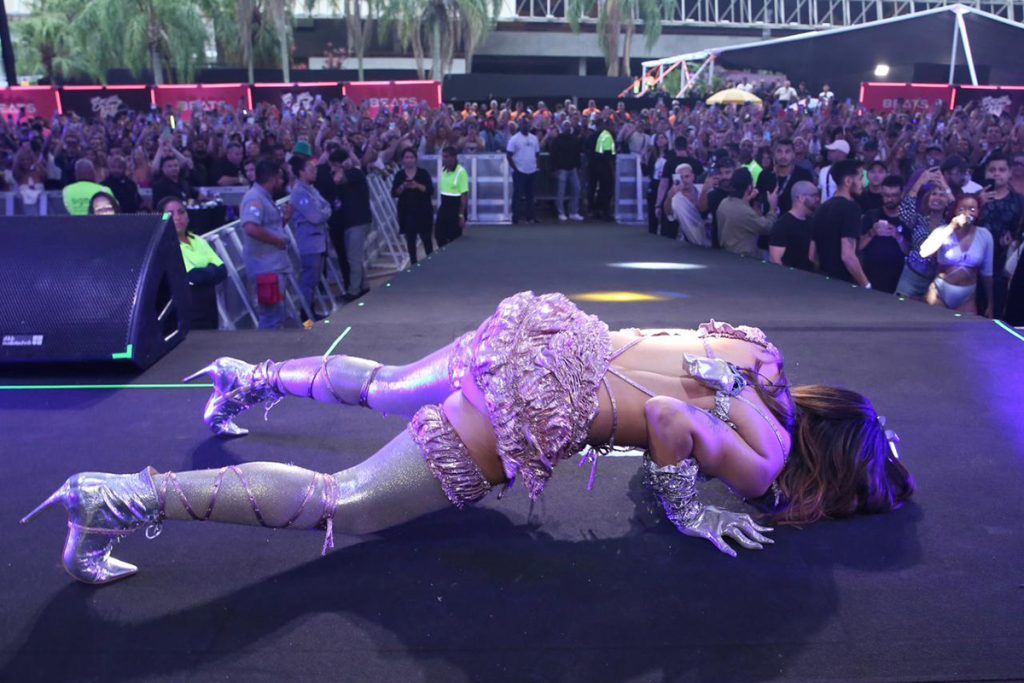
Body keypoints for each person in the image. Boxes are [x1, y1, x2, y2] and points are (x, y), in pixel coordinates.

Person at [23, 291, 915, 584]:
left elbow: (679, 385)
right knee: (340, 504)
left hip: (537, 330)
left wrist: (662, 444)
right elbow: (677, 422)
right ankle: (113, 497)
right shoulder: (765, 461)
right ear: (829, 469)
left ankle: (244, 380)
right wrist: (689, 511)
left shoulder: (758, 352)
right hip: (532, 403)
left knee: (377, 386)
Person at [240, 159, 294, 330]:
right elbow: (250, 227)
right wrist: (278, 241)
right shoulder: (254, 198)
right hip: (265, 268)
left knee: (278, 314)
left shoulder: (264, 197)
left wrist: (284, 219)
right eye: (279, 178)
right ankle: (267, 353)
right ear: (272, 178)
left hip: (273, 264)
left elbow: (269, 227)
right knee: (271, 316)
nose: (281, 181)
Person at [919, 194, 994, 317]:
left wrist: (990, 304)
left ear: (979, 213)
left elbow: (987, 274)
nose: (966, 213)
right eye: (961, 209)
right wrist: (952, 227)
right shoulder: (942, 230)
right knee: (937, 332)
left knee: (965, 332)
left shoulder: (984, 235)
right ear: (954, 211)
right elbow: (924, 252)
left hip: (967, 294)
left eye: (972, 209)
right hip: (940, 290)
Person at [161, 196, 227, 330]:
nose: (177, 217)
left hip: (210, 308)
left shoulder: (198, 240)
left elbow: (222, 270)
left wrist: (205, 274)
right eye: (170, 214)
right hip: (187, 312)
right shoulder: (165, 245)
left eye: (181, 212)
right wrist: (210, 270)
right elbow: (191, 277)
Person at [810, 159, 871, 287]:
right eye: (860, 178)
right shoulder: (851, 208)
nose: (863, 183)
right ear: (848, 181)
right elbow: (848, 256)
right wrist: (866, 285)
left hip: (822, 280)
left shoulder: (822, 207)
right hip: (844, 284)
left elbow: (812, 254)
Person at [895, 170, 953, 300]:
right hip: (911, 276)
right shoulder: (919, 220)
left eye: (941, 195)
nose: (937, 198)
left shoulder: (950, 225)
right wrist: (920, 182)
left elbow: (958, 207)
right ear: (928, 198)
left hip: (935, 280)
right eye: (934, 194)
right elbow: (903, 211)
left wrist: (945, 185)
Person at [288, 155, 332, 314]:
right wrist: (324, 212)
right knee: (308, 281)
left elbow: (327, 206)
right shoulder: (299, 192)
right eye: (311, 170)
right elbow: (316, 216)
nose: (315, 172)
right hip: (309, 244)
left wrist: (324, 212)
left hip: (319, 241)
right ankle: (305, 316)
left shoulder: (312, 189)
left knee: (314, 280)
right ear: (301, 173)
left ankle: (310, 311)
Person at [859, 175, 910, 294]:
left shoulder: (908, 218)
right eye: (886, 195)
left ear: (901, 194)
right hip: (870, 273)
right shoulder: (871, 215)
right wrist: (872, 232)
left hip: (897, 277)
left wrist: (898, 236)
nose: (889, 199)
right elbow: (858, 246)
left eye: (894, 196)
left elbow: (910, 251)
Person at [333, 149, 374, 301]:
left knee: (353, 258)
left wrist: (340, 167)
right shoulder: (352, 173)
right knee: (355, 256)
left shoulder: (354, 174)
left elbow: (338, 179)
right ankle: (364, 285)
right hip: (354, 222)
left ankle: (354, 291)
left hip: (358, 221)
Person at [716, 167, 777, 258]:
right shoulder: (744, 212)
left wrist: (748, 199)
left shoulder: (723, 203)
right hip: (744, 258)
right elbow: (767, 227)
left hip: (727, 253)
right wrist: (772, 208)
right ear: (749, 187)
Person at [391, 148, 434, 265]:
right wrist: (403, 187)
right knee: (410, 240)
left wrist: (417, 186)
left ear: (415, 159)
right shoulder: (400, 175)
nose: (409, 160)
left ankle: (431, 262)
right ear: (403, 160)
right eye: (406, 157)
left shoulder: (423, 173)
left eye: (411, 157)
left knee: (426, 239)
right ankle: (414, 264)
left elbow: (430, 190)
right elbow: (394, 193)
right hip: (407, 212)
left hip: (423, 211)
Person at [768, 180, 818, 272]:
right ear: (801, 198)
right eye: (813, 195)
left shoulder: (812, 222)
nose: (817, 199)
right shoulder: (782, 225)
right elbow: (775, 260)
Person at [664, 163, 709, 247]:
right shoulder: (675, 199)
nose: (684, 180)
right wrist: (669, 196)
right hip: (692, 244)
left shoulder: (704, 188)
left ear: (693, 177)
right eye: (681, 178)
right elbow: (669, 214)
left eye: (687, 176)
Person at [549, 123, 584, 222]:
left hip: (572, 169)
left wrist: (578, 167)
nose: (567, 128)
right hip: (561, 169)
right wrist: (554, 169)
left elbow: (577, 154)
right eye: (565, 126)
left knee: (577, 189)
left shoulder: (574, 139)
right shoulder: (557, 140)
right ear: (562, 128)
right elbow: (553, 156)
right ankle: (561, 213)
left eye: (569, 126)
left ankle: (573, 212)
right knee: (561, 192)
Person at [507, 119, 540, 224]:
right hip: (520, 171)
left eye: (527, 124)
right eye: (524, 124)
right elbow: (508, 155)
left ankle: (530, 217)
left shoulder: (534, 138)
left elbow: (537, 153)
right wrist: (515, 169)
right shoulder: (514, 139)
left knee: (531, 195)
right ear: (520, 126)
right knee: (517, 195)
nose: (526, 126)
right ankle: (515, 217)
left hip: (532, 170)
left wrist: (536, 166)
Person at [436, 146, 469, 246]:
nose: (444, 159)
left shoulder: (461, 172)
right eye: (443, 157)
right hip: (444, 207)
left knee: (454, 239)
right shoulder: (443, 171)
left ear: (454, 157)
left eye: (446, 157)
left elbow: (464, 195)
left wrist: (461, 215)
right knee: (439, 236)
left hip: (455, 208)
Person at [590, 119, 617, 221]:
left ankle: (595, 209)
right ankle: (604, 210)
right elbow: (608, 153)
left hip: (594, 166)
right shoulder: (607, 137)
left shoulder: (592, 136)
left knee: (598, 189)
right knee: (606, 189)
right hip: (604, 166)